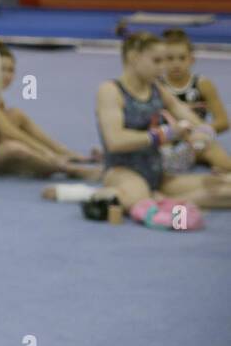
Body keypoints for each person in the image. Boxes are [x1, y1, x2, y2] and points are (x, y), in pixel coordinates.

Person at [88, 32, 231, 230]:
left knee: (225, 186)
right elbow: (115, 141)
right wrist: (164, 134)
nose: (163, 68)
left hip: (156, 173)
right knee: (138, 194)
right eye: (157, 61)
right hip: (124, 172)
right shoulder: (110, 90)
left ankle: (160, 201)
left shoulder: (155, 87)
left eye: (164, 61)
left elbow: (186, 115)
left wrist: (203, 131)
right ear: (133, 58)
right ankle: (99, 197)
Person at [0, 41, 100, 180]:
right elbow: (7, 131)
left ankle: (65, 152)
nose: (7, 75)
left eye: (11, 70)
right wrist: (44, 152)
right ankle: (71, 169)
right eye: (1, 69)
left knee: (16, 114)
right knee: (14, 148)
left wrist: (53, 151)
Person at [161, 28, 228, 174]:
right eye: (170, 58)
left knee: (219, 157)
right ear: (160, 60)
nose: (176, 64)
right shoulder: (157, 86)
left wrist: (203, 130)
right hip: (166, 144)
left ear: (191, 59)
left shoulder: (203, 85)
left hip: (197, 143)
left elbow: (223, 121)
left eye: (181, 58)